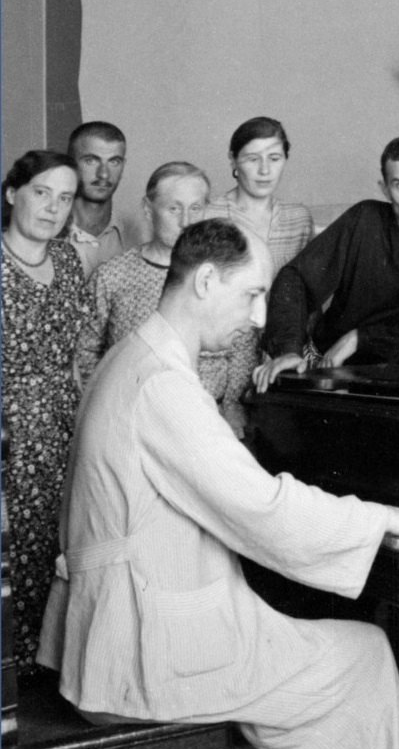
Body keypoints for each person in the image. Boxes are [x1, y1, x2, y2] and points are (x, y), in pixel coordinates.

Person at [37, 219, 399, 749]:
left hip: (117, 629)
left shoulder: (130, 356)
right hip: (143, 653)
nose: (259, 317)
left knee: (324, 661)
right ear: (206, 281)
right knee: (366, 655)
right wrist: (385, 517)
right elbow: (262, 509)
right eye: (251, 294)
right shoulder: (163, 385)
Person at [259, 134, 399, 383]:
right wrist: (288, 350)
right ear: (385, 189)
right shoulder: (365, 218)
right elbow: (295, 278)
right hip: (332, 367)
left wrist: (359, 338)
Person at [1, 149, 90, 675]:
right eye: (41, 193)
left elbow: (75, 355)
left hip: (62, 424)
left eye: (64, 198)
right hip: (8, 431)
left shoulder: (70, 260)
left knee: (57, 541)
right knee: (12, 547)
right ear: (13, 193)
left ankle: (48, 661)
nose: (53, 208)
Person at [76, 162, 234, 412]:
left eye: (195, 208)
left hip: (206, 415)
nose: (186, 221)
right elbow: (85, 354)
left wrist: (231, 410)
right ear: (148, 210)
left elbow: (243, 350)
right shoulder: (112, 276)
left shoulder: (225, 277)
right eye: (174, 208)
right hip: (129, 414)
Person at [206, 117, 315, 424]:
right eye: (253, 159)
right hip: (223, 358)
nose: (265, 170)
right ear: (233, 161)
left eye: (274, 158)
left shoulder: (298, 218)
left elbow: (306, 295)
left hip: (281, 359)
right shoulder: (210, 214)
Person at [63, 120, 130, 280]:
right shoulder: (44, 232)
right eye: (90, 161)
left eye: (114, 162)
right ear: (70, 163)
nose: (104, 174)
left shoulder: (138, 235)